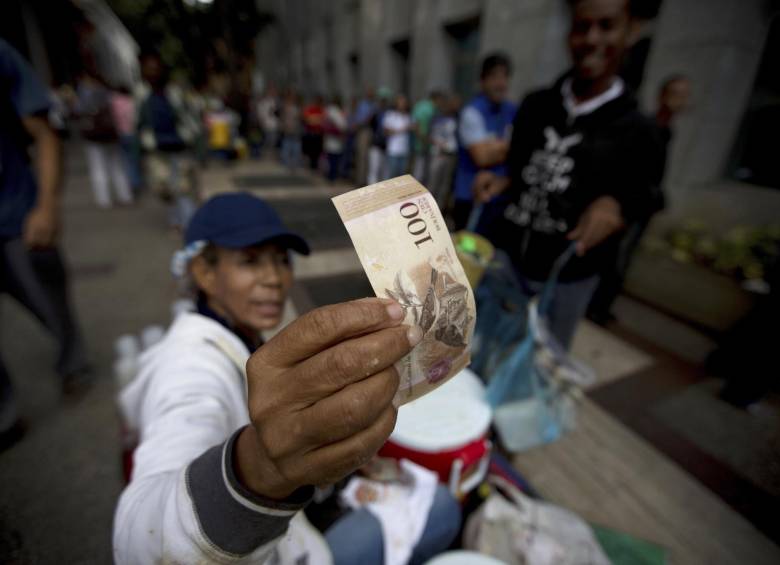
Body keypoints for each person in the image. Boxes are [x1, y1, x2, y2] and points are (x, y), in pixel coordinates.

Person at [113, 193, 460, 563]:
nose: (275, 278)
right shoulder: (189, 366)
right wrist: (258, 470)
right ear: (204, 273)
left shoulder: (240, 335)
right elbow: (141, 538)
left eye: (282, 260)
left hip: (292, 528)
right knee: (442, 507)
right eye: (250, 261)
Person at [473, 0, 665, 349]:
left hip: (567, 278)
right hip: (507, 259)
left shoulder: (640, 130)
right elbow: (518, 167)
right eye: (582, 27)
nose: (592, 39)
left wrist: (615, 205)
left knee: (537, 366)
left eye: (606, 26)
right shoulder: (535, 105)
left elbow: (648, 195)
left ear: (631, 31)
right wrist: (502, 181)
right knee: (480, 346)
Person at [1, 39, 90, 450]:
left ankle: (74, 365)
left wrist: (46, 205)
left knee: (49, 301)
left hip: (15, 216)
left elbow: (44, 133)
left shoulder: (3, 56)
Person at [587, 74, 690, 325]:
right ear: (663, 96)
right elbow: (633, 172)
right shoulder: (647, 127)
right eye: (675, 94)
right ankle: (596, 306)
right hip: (629, 207)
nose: (679, 101)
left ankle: (601, 305)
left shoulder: (666, 130)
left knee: (621, 257)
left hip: (640, 208)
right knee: (615, 258)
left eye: (683, 96)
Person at [452, 53, 517, 230]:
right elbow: (482, 157)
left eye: (504, 76)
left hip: (500, 197)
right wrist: (512, 147)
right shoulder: (471, 112)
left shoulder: (512, 110)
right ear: (483, 81)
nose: (501, 83)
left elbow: (526, 146)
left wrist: (498, 147)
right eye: (494, 77)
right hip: (470, 198)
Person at [136, 51, 198, 230]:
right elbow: (137, 123)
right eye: (149, 69)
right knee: (164, 187)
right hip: (156, 149)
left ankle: (190, 225)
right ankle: (175, 219)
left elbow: (189, 116)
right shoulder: (141, 94)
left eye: (156, 68)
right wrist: (139, 148)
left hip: (179, 145)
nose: (153, 72)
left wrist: (193, 140)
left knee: (183, 187)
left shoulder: (175, 93)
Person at [76, 73, 133, 208]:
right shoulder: (108, 94)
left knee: (98, 167)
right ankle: (125, 195)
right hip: (110, 134)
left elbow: (78, 110)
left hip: (94, 136)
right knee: (117, 166)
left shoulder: (86, 95)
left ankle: (104, 199)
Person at [109, 86, 144, 194]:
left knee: (125, 161)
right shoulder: (131, 102)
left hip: (120, 134)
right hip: (132, 133)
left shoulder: (113, 102)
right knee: (134, 160)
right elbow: (136, 119)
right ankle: (136, 182)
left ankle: (130, 183)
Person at [428, 94, 460, 209]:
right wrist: (438, 143)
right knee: (433, 183)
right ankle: (429, 207)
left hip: (450, 155)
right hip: (437, 154)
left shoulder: (457, 118)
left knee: (445, 185)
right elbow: (429, 135)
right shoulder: (436, 118)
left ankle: (440, 208)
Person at [411, 91, 443, 185]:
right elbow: (418, 127)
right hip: (423, 144)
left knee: (420, 172)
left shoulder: (422, 106)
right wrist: (427, 140)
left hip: (423, 144)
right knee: (420, 173)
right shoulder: (429, 109)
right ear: (436, 99)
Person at [383, 94, 412, 179]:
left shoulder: (408, 117)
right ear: (396, 103)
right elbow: (386, 132)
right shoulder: (390, 115)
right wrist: (403, 129)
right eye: (401, 102)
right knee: (391, 175)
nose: (403, 104)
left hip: (404, 150)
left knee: (401, 176)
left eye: (404, 103)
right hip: (393, 150)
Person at [353, 87, 378, 185]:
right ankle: (360, 180)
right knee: (362, 156)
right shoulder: (363, 105)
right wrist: (368, 117)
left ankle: (368, 179)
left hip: (372, 131)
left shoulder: (374, 105)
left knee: (370, 157)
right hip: (363, 131)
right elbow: (359, 120)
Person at [367, 88, 392, 184]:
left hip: (387, 144)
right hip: (376, 143)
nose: (383, 102)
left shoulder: (390, 112)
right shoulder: (375, 111)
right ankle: (372, 188)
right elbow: (370, 125)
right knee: (374, 169)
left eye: (385, 100)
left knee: (385, 171)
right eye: (382, 100)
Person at [323, 96, 348, 182]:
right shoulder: (331, 110)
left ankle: (332, 175)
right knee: (332, 158)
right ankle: (332, 176)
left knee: (334, 158)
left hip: (336, 138)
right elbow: (341, 125)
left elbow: (343, 125)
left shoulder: (338, 111)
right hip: (332, 137)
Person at [279, 90, 303, 172]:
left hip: (295, 130)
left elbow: (300, 118)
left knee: (295, 148)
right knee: (287, 147)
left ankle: (294, 164)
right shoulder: (285, 107)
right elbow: (282, 119)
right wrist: (284, 126)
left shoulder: (297, 108)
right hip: (288, 130)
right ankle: (288, 164)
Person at [302, 94, 325, 170]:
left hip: (319, 134)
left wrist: (314, 119)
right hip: (311, 133)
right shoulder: (310, 109)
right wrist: (317, 119)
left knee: (317, 152)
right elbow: (308, 120)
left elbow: (323, 120)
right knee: (310, 152)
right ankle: (311, 166)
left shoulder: (322, 109)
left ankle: (315, 166)